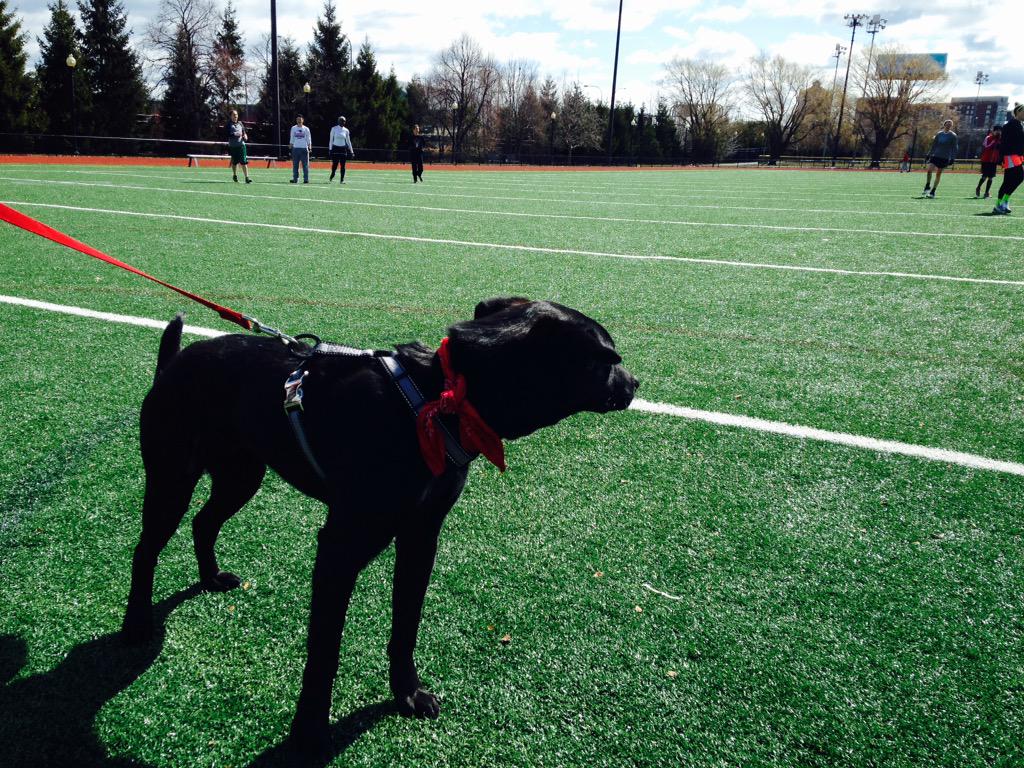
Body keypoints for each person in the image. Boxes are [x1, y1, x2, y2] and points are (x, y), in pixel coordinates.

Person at [993, 103, 1024, 215]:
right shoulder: (1009, 125)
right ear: (1018, 112)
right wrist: (1001, 158)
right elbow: (1003, 143)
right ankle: (999, 205)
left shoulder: (1020, 124)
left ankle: (1003, 202)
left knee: (1014, 179)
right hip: (1010, 156)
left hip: (1017, 156)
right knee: (1015, 178)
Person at [922, 119, 958, 198]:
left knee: (938, 174)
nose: (948, 126)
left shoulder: (953, 136)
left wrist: (952, 158)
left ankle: (933, 191)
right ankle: (927, 185)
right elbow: (934, 146)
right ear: (944, 125)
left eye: (950, 125)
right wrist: (929, 154)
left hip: (944, 157)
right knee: (929, 171)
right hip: (935, 156)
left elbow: (954, 148)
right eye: (947, 124)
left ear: (951, 126)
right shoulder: (939, 134)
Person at [226, 109, 252, 184]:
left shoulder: (240, 123)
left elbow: (244, 132)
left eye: (236, 114)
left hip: (241, 146)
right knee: (234, 162)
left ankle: (247, 178)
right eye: (234, 115)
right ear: (230, 116)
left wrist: (245, 136)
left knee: (244, 161)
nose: (236, 116)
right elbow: (226, 134)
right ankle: (234, 175)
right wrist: (235, 134)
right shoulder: (228, 125)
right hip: (233, 146)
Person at [327, 116, 355, 184]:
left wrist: (352, 152)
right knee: (335, 165)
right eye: (341, 120)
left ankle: (342, 180)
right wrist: (330, 149)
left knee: (343, 165)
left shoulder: (346, 130)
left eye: (344, 121)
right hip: (335, 148)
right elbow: (331, 140)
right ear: (338, 121)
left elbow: (348, 141)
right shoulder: (334, 129)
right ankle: (333, 173)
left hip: (343, 149)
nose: (343, 122)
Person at [976, 126, 1001, 198]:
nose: (998, 132)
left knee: (991, 177)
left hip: (994, 161)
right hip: (986, 160)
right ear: (993, 131)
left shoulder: (1001, 140)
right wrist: (993, 142)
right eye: (997, 131)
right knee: (984, 176)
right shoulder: (988, 138)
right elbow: (986, 146)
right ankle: (978, 187)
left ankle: (986, 192)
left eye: (999, 131)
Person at [289, 115, 312, 184]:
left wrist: (309, 147)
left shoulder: (306, 129)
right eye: (297, 119)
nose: (299, 120)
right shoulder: (293, 128)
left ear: (303, 120)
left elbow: (309, 139)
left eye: (300, 119)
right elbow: (292, 138)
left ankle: (306, 179)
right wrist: (290, 146)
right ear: (296, 120)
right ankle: (295, 179)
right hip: (295, 149)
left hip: (304, 149)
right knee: (295, 165)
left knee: (305, 165)